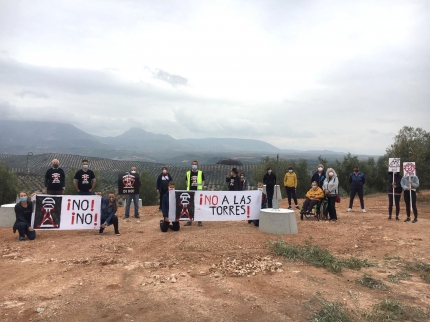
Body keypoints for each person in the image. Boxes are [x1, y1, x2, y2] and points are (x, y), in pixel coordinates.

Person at [185, 160, 205, 226]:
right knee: (190, 206)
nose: (194, 165)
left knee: (198, 206)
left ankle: (199, 220)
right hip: (190, 192)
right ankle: (189, 220)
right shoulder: (188, 173)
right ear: (191, 164)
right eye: (193, 164)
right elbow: (186, 181)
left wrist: (200, 187)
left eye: (195, 164)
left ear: (197, 165)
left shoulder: (200, 173)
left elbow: (203, 182)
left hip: (198, 192)